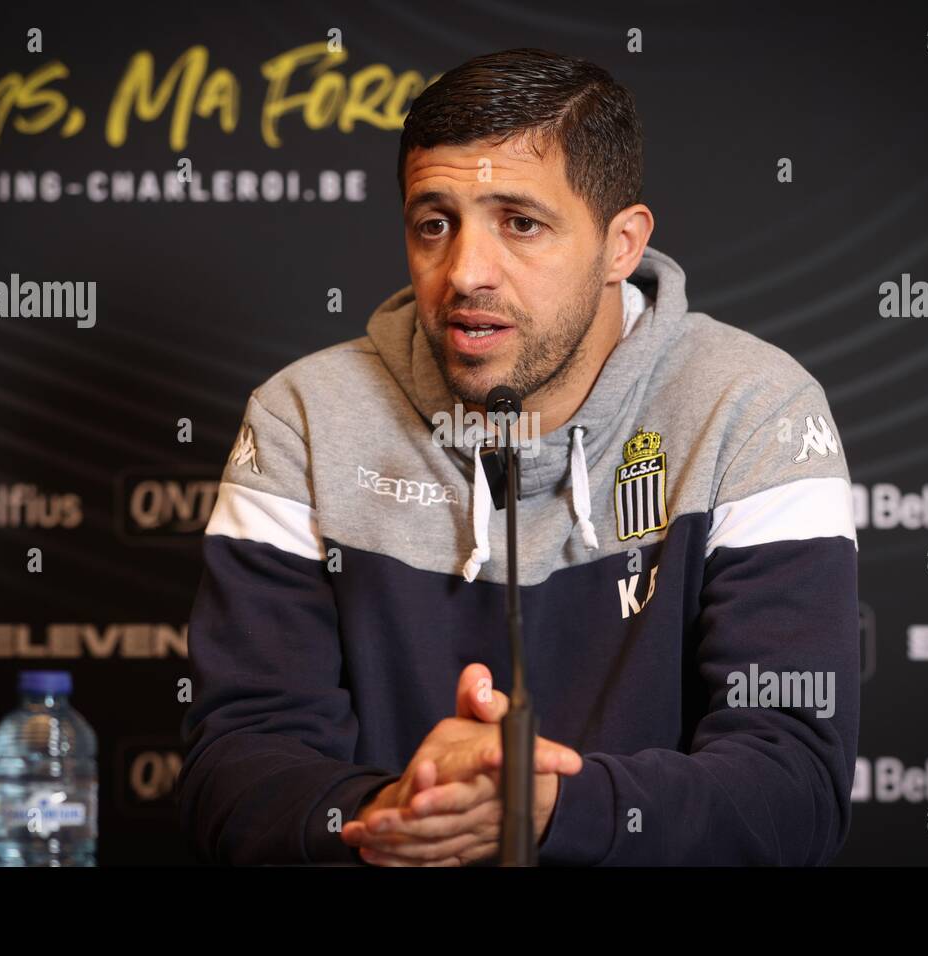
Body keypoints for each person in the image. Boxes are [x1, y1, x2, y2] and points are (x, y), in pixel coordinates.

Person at [178, 47, 859, 867]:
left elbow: (792, 793)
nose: (465, 273)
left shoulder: (754, 410)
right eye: (435, 223)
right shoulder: (304, 418)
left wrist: (549, 811)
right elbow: (235, 769)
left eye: (520, 223)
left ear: (621, 245)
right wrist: (395, 810)